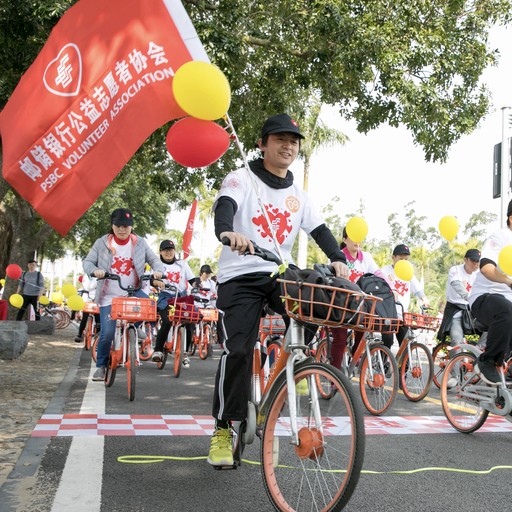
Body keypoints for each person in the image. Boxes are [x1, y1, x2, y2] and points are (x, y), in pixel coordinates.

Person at [207, 113, 349, 467]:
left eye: (294, 142)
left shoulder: (299, 195)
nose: (288, 146)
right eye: (280, 139)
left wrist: (338, 258)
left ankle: (289, 369)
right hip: (240, 274)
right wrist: (227, 232)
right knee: (238, 349)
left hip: (278, 273)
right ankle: (223, 427)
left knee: (315, 304)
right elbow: (225, 207)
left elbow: (320, 230)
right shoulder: (241, 177)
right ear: (262, 144)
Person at [83, 208, 164, 382]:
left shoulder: (139, 242)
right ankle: (101, 366)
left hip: (132, 292)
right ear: (112, 226)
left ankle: (135, 327)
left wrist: (158, 271)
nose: (122, 229)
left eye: (126, 226)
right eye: (118, 226)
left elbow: (155, 260)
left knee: (150, 306)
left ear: (131, 227)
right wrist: (95, 270)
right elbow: (88, 262)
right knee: (107, 333)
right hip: (109, 296)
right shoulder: (102, 243)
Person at [329, 227, 391, 370]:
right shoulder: (337, 256)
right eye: (353, 237)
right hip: (339, 304)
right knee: (340, 339)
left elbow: (378, 273)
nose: (357, 241)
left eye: (359, 237)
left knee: (363, 331)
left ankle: (354, 354)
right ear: (345, 239)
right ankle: (334, 375)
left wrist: (390, 287)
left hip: (358, 304)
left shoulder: (366, 257)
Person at [468, 199, 512, 384]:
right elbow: (486, 268)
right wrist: (508, 281)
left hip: (508, 301)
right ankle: (487, 361)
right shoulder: (500, 237)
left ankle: (506, 379)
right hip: (484, 298)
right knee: (507, 310)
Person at [150, 240, 195, 366]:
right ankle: (158, 350)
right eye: (165, 250)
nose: (168, 252)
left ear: (174, 251)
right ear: (160, 252)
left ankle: (185, 352)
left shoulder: (182, 264)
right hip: (165, 297)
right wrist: (157, 282)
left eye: (170, 250)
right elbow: (151, 279)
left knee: (190, 322)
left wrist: (197, 286)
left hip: (181, 297)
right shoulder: (157, 265)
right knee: (167, 321)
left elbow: (192, 280)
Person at [381, 244, 430, 350]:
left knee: (405, 343)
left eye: (406, 259)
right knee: (387, 341)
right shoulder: (385, 271)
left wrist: (424, 299)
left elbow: (417, 289)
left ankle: (404, 361)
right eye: (400, 259)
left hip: (403, 314)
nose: (403, 262)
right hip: (388, 314)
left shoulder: (408, 272)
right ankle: (382, 359)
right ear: (393, 257)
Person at [437, 249, 481, 346]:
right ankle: (456, 356)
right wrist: (468, 297)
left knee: (491, 329)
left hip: (470, 313)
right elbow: (457, 285)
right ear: (465, 260)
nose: (476, 264)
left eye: (478, 261)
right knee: (457, 341)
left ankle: (480, 352)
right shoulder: (455, 270)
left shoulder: (478, 274)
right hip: (455, 313)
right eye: (473, 260)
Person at [74, 274, 100, 343]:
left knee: (98, 318)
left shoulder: (98, 275)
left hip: (97, 298)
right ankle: (80, 334)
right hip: (87, 299)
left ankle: (98, 337)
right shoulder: (86, 276)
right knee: (85, 318)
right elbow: (88, 287)